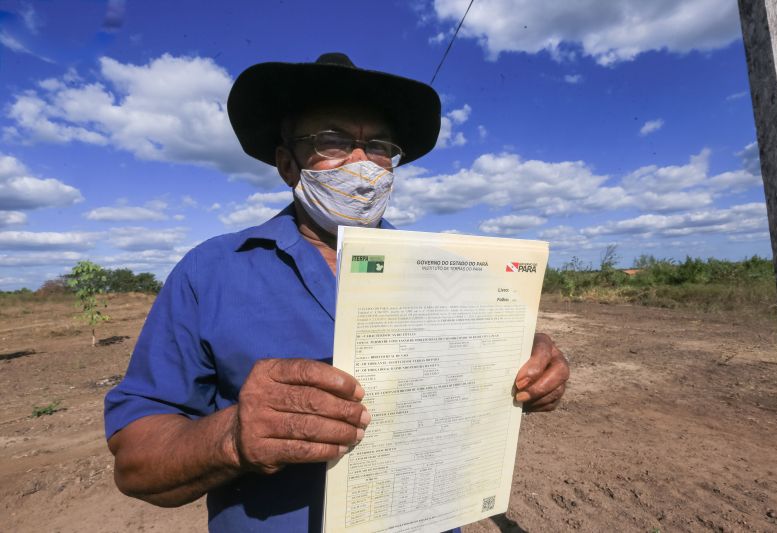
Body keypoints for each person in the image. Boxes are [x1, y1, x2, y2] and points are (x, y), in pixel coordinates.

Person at [104, 52, 570, 532]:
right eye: (333, 141)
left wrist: (530, 366)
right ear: (288, 164)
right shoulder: (210, 272)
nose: (362, 163)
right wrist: (232, 437)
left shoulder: (448, 271)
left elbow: (496, 368)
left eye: (381, 146)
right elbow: (136, 461)